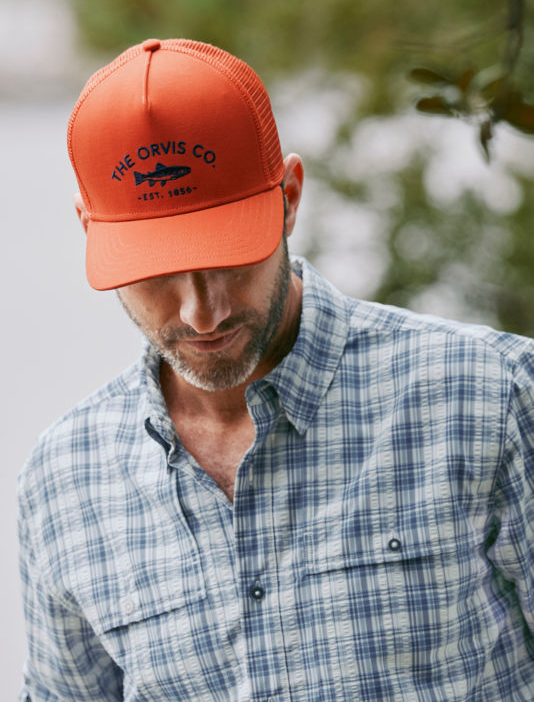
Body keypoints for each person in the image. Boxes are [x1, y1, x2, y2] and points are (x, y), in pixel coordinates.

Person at [18, 37, 534, 702]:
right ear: (89, 229)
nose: (201, 313)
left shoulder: (493, 398)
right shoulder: (64, 482)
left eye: (229, 256)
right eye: (154, 273)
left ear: (289, 196)